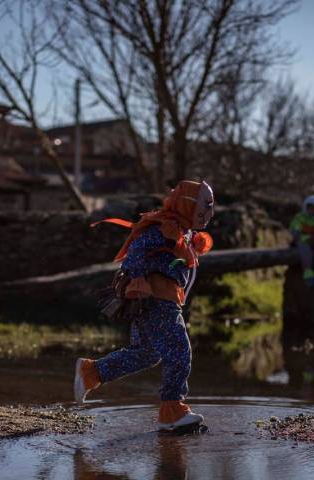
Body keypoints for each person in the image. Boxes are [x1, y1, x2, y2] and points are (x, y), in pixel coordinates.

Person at [75, 180, 215, 431]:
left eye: (210, 207)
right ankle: (172, 410)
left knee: (147, 353)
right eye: (204, 206)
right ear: (187, 205)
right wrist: (137, 281)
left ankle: (92, 372)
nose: (208, 213)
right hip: (156, 301)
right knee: (179, 351)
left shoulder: (183, 231)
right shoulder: (163, 228)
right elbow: (137, 251)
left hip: (161, 300)